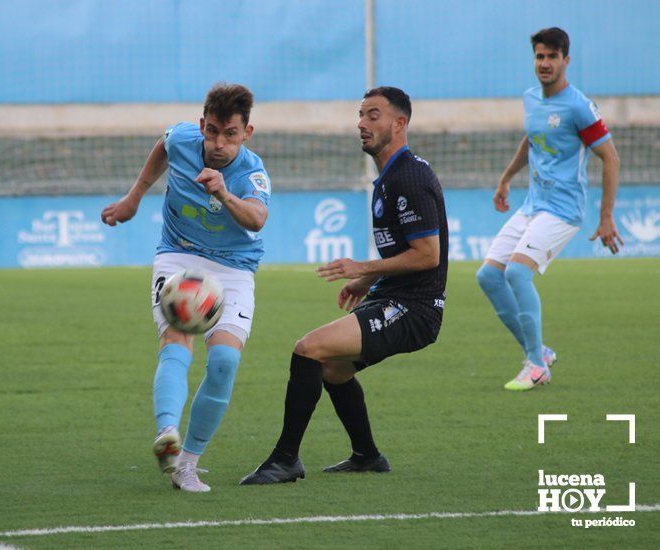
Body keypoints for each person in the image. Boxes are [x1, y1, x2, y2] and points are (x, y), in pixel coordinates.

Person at [240, 87, 447, 485]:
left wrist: (363, 266)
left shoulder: (410, 176)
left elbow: (428, 255)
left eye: (373, 115)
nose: (361, 124)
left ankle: (285, 459)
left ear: (399, 124)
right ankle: (367, 456)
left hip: (417, 308)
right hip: (393, 297)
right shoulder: (389, 177)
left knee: (308, 350)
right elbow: (407, 250)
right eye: (360, 115)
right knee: (333, 369)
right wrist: (366, 281)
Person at [101, 83, 270, 493]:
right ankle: (168, 437)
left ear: (246, 133)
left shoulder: (252, 171)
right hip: (179, 256)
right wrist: (134, 197)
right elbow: (163, 143)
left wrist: (225, 193)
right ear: (201, 125)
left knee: (225, 362)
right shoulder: (182, 138)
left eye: (230, 134)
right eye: (212, 131)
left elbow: (257, 219)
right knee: (176, 341)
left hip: (233, 268)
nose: (218, 143)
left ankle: (189, 463)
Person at [476, 27, 622, 392]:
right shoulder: (531, 99)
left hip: (563, 209)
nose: (544, 63)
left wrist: (606, 217)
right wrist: (506, 177)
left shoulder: (578, 106)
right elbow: (532, 139)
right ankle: (537, 350)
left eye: (551, 57)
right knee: (488, 276)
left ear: (565, 61)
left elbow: (611, 158)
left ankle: (537, 367)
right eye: (539, 56)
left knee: (516, 274)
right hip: (533, 204)